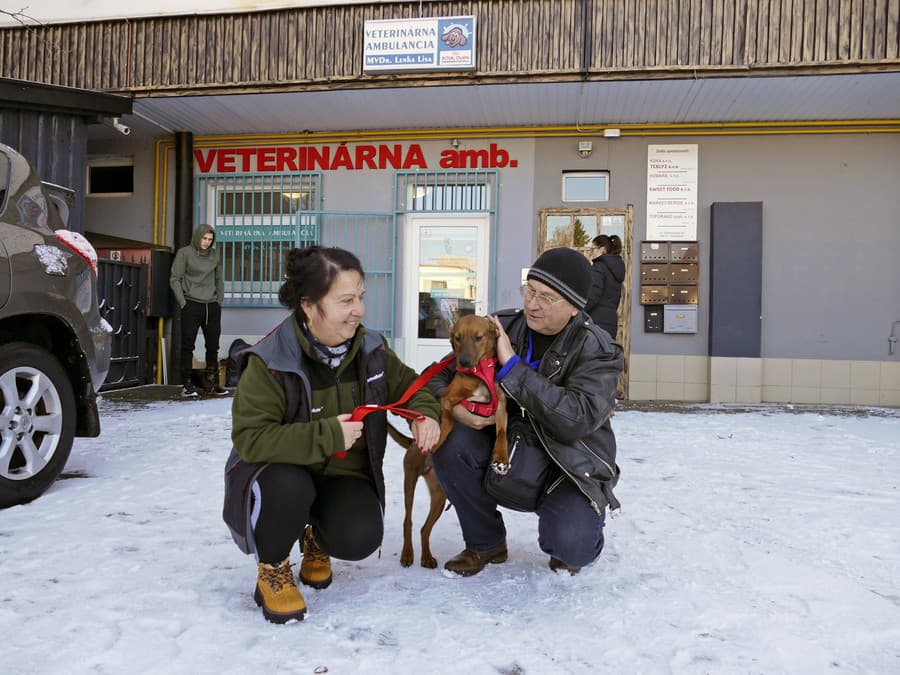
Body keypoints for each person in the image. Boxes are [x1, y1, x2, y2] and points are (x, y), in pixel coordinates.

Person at [224, 246, 441, 624]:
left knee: (360, 535)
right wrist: (326, 435)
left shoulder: (372, 350)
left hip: (341, 477)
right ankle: (273, 568)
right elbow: (251, 439)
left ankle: (316, 539)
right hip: (283, 477)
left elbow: (413, 387)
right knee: (289, 487)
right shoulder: (270, 362)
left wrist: (423, 414)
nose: (359, 310)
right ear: (309, 306)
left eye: (360, 297)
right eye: (346, 300)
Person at [427, 246, 623, 577]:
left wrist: (512, 365)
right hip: (507, 451)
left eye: (547, 297)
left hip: (567, 466)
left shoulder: (598, 350)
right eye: (530, 290)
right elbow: (436, 376)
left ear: (575, 307)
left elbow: (576, 418)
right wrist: (454, 408)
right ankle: (485, 543)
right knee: (450, 441)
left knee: (572, 544)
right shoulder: (502, 325)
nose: (532, 304)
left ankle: (575, 531)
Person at [169, 224, 227, 397]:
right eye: (204, 238)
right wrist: (183, 302)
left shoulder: (214, 254)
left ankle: (212, 384)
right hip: (191, 304)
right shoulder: (184, 253)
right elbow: (175, 279)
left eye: (210, 239)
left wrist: (219, 300)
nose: (207, 242)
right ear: (198, 237)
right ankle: (186, 384)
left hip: (212, 306)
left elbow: (218, 278)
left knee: (213, 346)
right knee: (188, 345)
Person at [584, 234, 625, 340]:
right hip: (611, 321)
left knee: (591, 354)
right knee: (606, 353)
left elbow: (593, 296)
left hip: (596, 322)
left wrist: (579, 310)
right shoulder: (617, 268)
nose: (591, 252)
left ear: (602, 249)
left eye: (593, 248)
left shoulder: (599, 267)